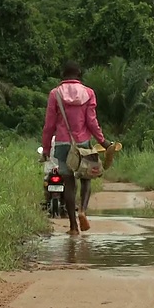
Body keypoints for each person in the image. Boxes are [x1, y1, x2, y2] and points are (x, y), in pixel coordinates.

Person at [41, 61, 114, 235]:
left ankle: (73, 227)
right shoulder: (89, 93)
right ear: (79, 74)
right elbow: (92, 122)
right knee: (86, 179)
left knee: (69, 184)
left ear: (62, 75)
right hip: (82, 144)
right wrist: (103, 141)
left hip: (62, 144)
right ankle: (83, 211)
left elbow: (49, 125)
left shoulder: (55, 94)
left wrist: (45, 149)